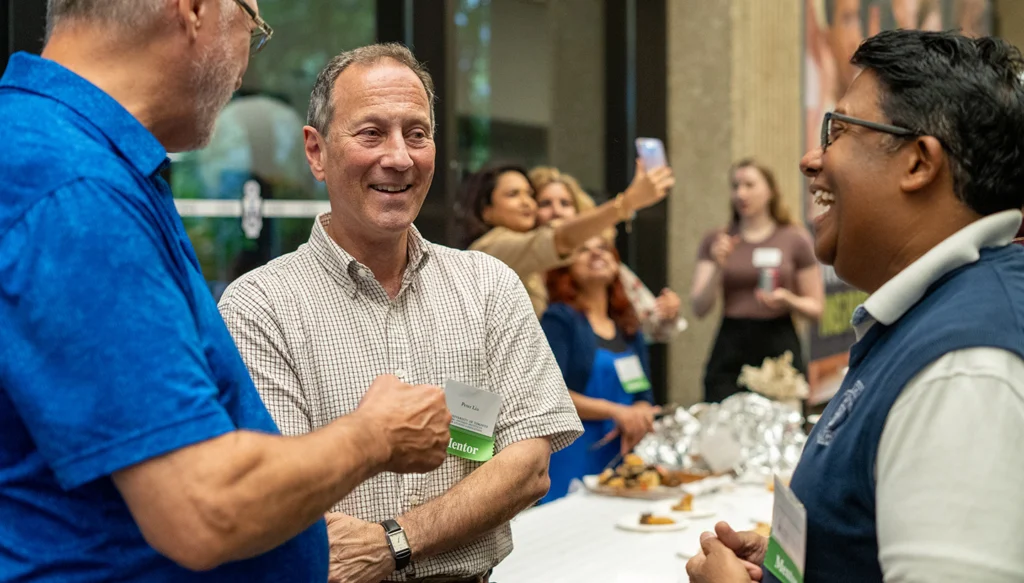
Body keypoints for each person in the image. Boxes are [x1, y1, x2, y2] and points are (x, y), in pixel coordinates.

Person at [0, 2, 453, 582]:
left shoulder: (66, 158)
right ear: (194, 10)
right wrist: (376, 436)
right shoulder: (74, 187)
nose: (244, 66)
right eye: (254, 28)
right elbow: (204, 508)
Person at [218, 43, 583, 583]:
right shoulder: (259, 308)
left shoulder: (488, 288)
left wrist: (397, 542)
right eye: (371, 133)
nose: (399, 157)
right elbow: (279, 493)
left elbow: (527, 467)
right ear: (316, 152)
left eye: (417, 133)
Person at [687, 30, 1024, 583]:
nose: (809, 159)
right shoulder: (935, 314)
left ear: (918, 163)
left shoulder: (965, 369)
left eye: (838, 131)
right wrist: (806, 556)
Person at [460, 162, 674, 316]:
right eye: (513, 195)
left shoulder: (570, 257)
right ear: (486, 211)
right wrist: (626, 203)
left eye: (529, 194)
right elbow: (560, 239)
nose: (527, 203)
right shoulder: (490, 248)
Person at [690, 160, 824, 403]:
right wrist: (718, 266)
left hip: (778, 343)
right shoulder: (718, 240)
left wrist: (788, 300)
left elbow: (816, 309)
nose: (741, 193)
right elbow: (699, 307)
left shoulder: (794, 239)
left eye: (750, 185)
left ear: (770, 190)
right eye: (735, 186)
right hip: (732, 342)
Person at [538, 236, 659, 503]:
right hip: (573, 455)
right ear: (565, 267)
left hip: (622, 457)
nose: (595, 253)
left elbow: (643, 395)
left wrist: (640, 413)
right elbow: (550, 393)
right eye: (583, 249)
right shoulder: (559, 319)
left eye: (603, 248)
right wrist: (617, 412)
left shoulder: (628, 327)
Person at [530, 165, 686, 343]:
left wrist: (668, 313)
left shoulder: (600, 262)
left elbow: (650, 324)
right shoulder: (523, 265)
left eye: (565, 203)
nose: (556, 211)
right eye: (545, 204)